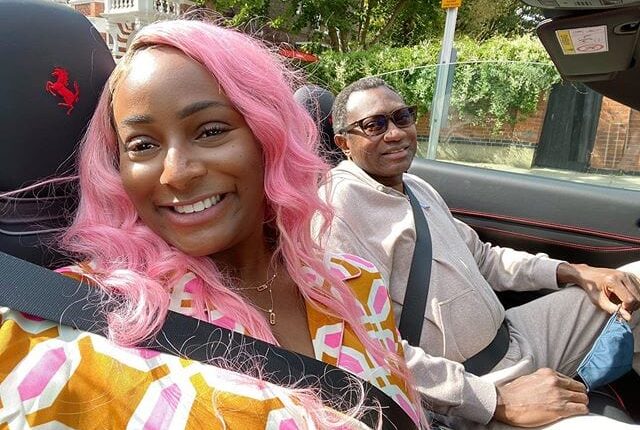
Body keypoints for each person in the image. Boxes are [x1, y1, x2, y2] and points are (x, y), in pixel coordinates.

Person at [0, 19, 428, 429]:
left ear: (269, 136)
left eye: (209, 131)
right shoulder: (76, 314)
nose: (176, 173)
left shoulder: (356, 283)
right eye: (143, 145)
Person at [315, 76, 640, 429]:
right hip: (473, 391)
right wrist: (495, 400)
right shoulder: (337, 212)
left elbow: (484, 258)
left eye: (401, 117)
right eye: (374, 125)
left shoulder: (416, 186)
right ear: (344, 143)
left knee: (631, 281)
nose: (394, 133)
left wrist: (575, 271)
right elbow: (367, 347)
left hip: (516, 338)